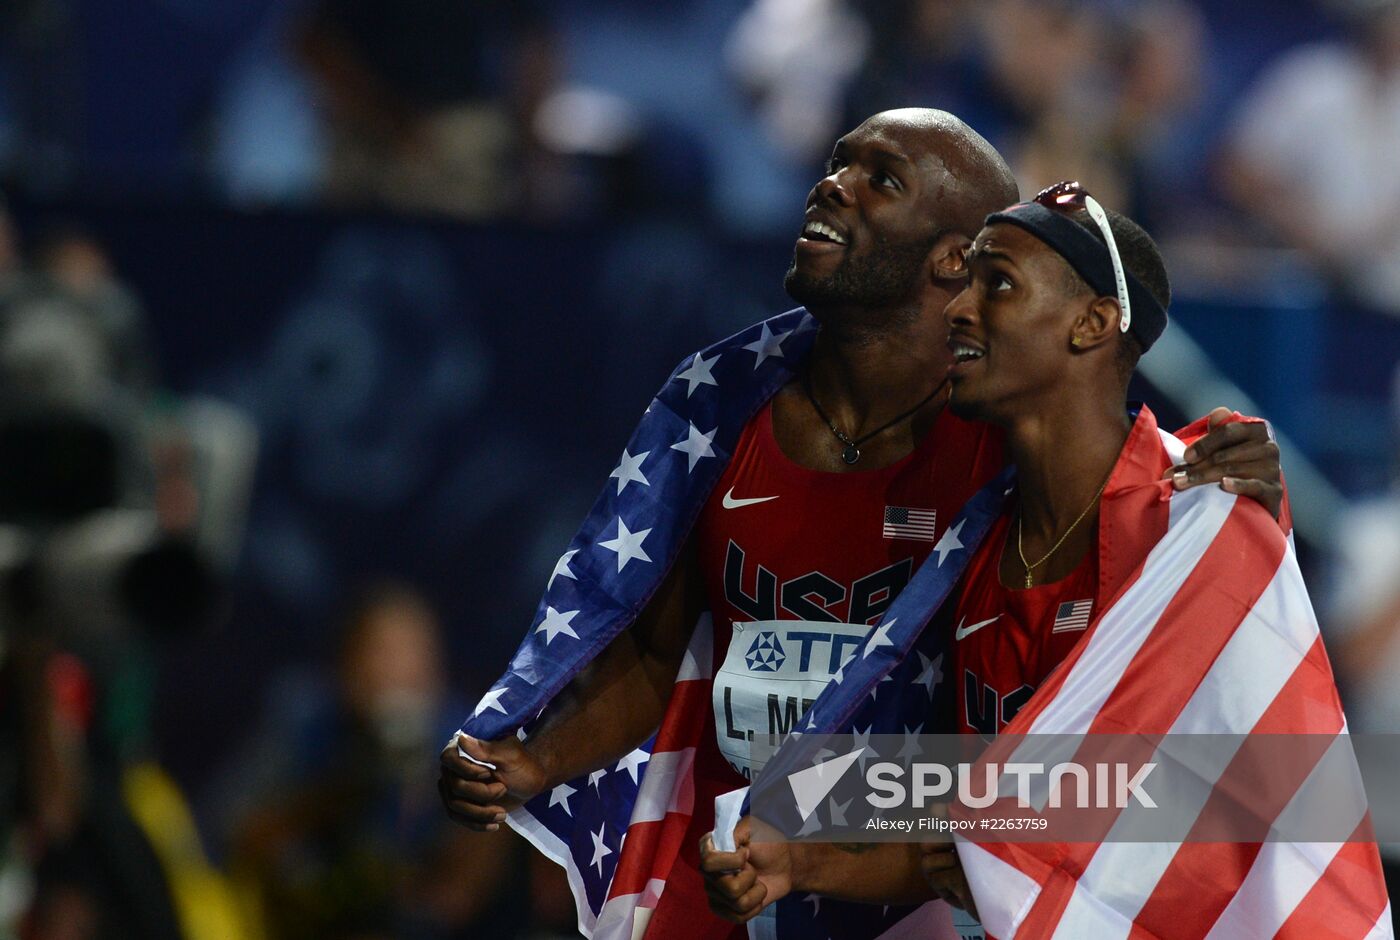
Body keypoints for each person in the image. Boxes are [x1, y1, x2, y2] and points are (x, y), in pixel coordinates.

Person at [440, 111, 1283, 938]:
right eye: (840, 162)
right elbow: (660, 654)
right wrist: (538, 759)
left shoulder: (1010, 445)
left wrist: (1234, 499)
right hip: (732, 866)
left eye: (880, 178)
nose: (832, 185)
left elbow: (1089, 782)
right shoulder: (724, 406)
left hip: (913, 893)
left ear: (954, 257)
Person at [700, 183, 1391, 937]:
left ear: (1093, 322)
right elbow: (984, 831)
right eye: (963, 282)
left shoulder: (1200, 519)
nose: (958, 310)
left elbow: (1231, 810)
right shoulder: (971, 550)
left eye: (996, 283)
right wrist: (800, 863)